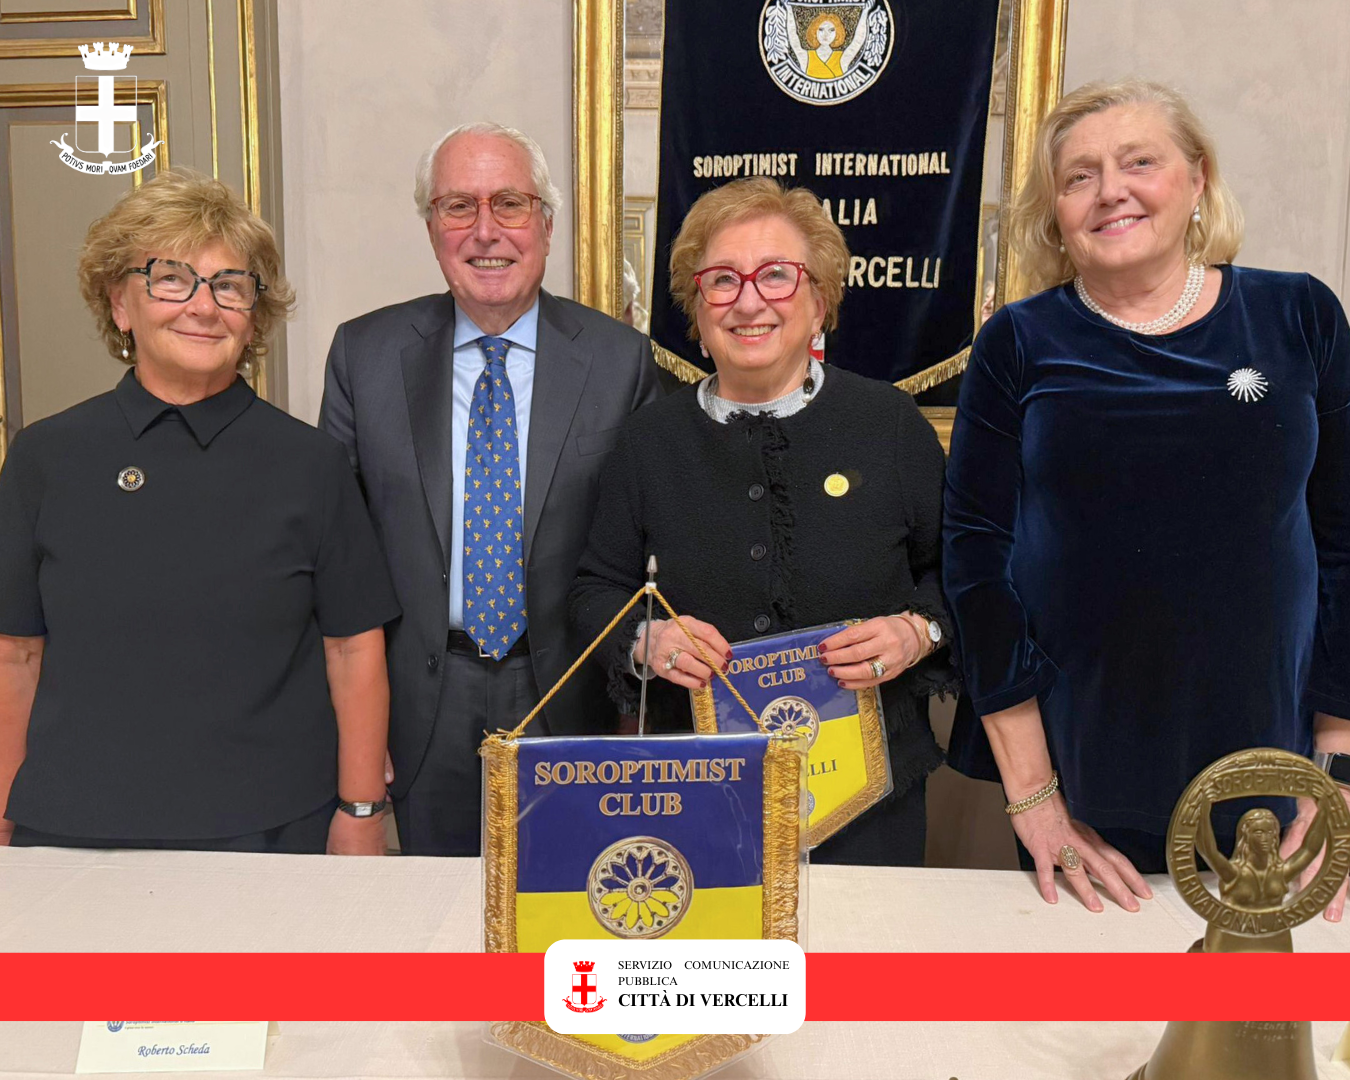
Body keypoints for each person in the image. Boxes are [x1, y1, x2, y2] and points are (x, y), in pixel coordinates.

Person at [943, 79, 1350, 916]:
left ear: (1197, 179)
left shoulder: (1298, 314)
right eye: (1079, 176)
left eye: (1139, 163)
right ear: (1056, 211)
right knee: (1086, 988)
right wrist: (1035, 796)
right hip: (1080, 763)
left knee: (1261, 989)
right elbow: (976, 564)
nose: (1110, 191)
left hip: (1274, 757)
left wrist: (1336, 770)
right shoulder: (1017, 340)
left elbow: (1345, 538)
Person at [0, 171, 399, 854]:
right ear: (120, 303)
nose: (203, 306)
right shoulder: (44, 457)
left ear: (254, 314)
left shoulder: (312, 464)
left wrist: (362, 812)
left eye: (229, 285)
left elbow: (353, 649)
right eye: (171, 279)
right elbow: (16, 655)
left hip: (273, 830)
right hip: (72, 829)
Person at [569, 177, 953, 865]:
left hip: (871, 800)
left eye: (776, 275)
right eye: (722, 280)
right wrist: (647, 639)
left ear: (820, 301)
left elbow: (955, 575)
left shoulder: (891, 427)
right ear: (697, 310)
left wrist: (916, 631)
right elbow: (596, 588)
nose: (749, 302)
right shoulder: (648, 443)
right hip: (696, 800)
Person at [319, 122, 663, 857]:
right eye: (457, 206)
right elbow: (338, 559)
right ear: (430, 227)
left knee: (572, 903)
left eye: (509, 203)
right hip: (418, 702)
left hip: (570, 697)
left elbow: (644, 551)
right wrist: (357, 739)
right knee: (428, 916)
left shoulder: (620, 361)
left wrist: (636, 720)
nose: (485, 231)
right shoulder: (364, 355)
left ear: (546, 223)